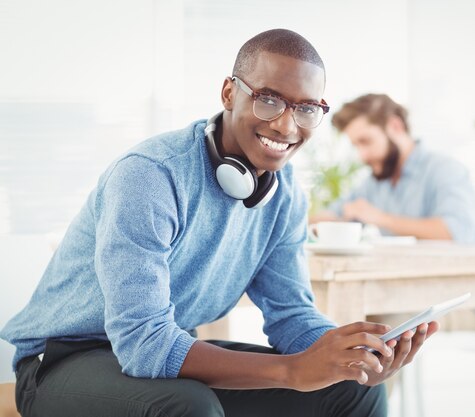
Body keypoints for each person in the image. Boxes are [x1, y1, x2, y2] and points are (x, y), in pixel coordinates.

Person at [0, 29, 439, 417]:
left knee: (351, 394)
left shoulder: (284, 196)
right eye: (269, 100)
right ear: (229, 93)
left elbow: (291, 317)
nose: (287, 125)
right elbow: (144, 344)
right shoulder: (150, 175)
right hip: (62, 362)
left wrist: (348, 357)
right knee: (188, 406)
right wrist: (291, 370)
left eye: (306, 108)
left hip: (154, 358)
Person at [310, 94, 475, 243]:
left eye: (366, 141)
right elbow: (334, 213)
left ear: (395, 126)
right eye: (356, 146)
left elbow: (456, 232)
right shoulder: (375, 182)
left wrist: (380, 218)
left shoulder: (445, 170)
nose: (362, 155)